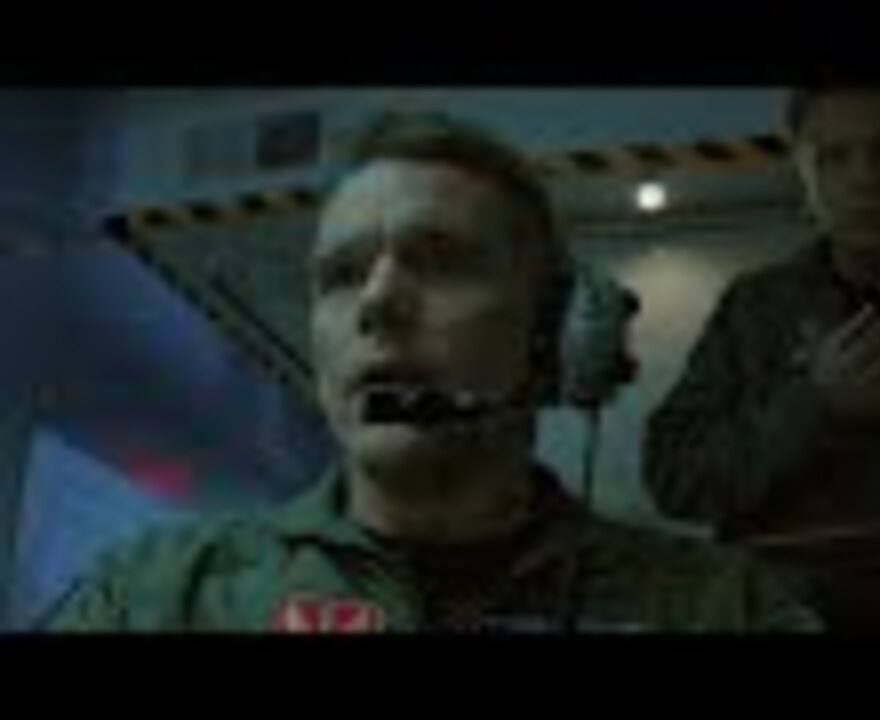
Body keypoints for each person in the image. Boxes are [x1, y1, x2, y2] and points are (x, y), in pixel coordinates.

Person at [47, 111, 817, 633]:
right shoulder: (158, 597)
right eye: (341, 275)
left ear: (548, 332)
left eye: (442, 261)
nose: (377, 301)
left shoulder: (720, 608)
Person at [645, 88, 880, 628]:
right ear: (805, 177)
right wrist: (812, 405)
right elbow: (675, 477)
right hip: (783, 610)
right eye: (834, 157)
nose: (866, 178)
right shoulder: (754, 308)